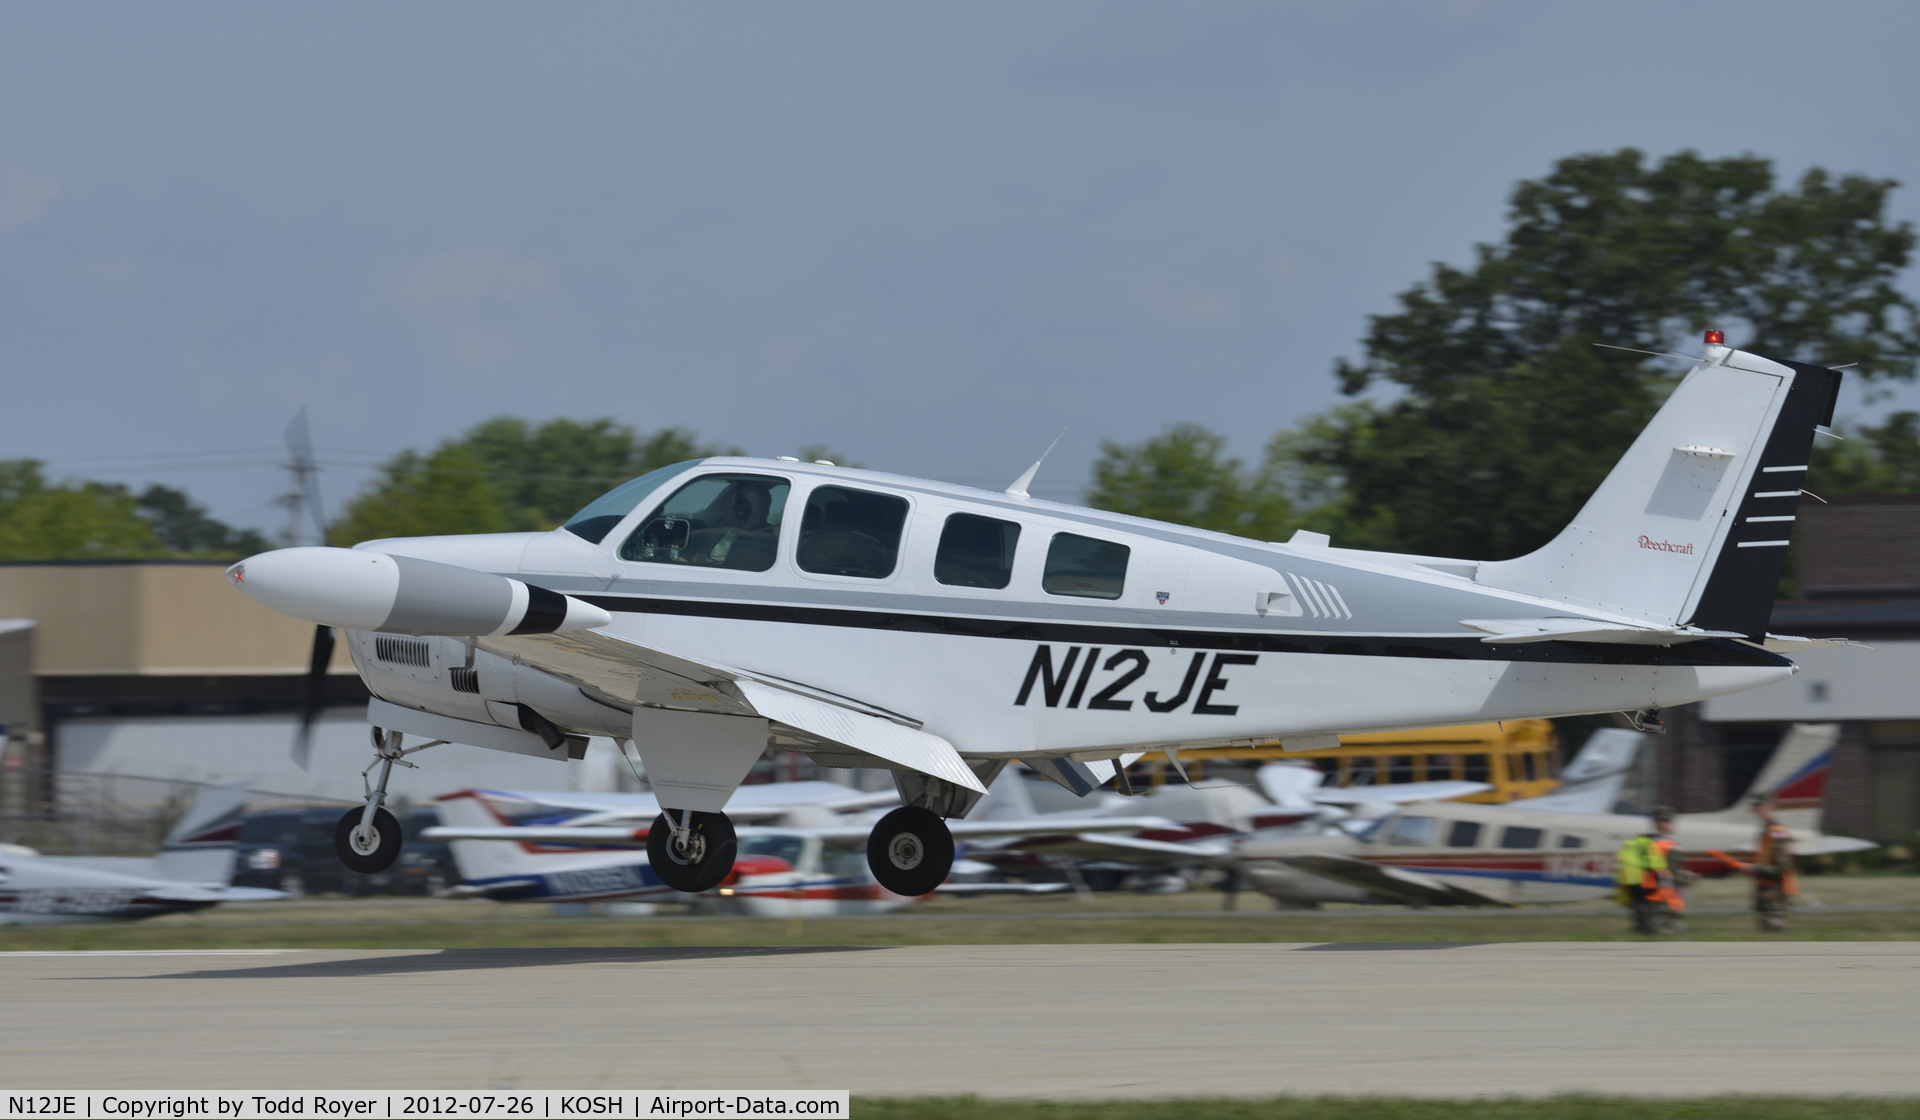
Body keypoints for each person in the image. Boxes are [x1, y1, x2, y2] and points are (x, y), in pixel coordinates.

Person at [1615, 807, 1684, 934]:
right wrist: (1689, 878)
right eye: (1670, 821)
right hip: (1658, 899)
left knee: (1642, 930)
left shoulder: (1639, 841)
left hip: (1638, 895)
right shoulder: (1668, 845)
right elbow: (1675, 876)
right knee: (1675, 931)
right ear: (1663, 823)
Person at [1750, 793, 1798, 932]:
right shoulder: (1766, 831)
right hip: (1767, 892)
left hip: (1775, 894)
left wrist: (1756, 869)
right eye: (1756, 806)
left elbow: (1782, 867)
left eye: (1761, 805)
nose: (1757, 809)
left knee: (1775, 937)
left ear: (1772, 806)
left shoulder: (1777, 831)